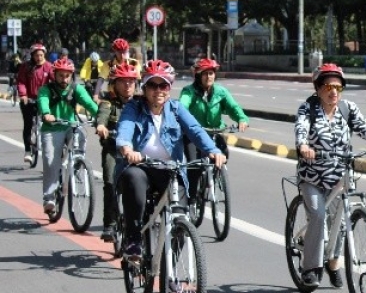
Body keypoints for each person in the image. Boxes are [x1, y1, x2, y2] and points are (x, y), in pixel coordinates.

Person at [294, 63, 366, 288]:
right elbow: (301, 128)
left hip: (339, 175)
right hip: (312, 176)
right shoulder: (308, 108)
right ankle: (310, 268)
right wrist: (303, 146)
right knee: (318, 216)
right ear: (318, 88)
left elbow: (365, 128)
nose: (333, 92)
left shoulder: (347, 108)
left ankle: (333, 264)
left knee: (340, 222)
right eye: (328, 87)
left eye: (338, 88)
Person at [115, 60, 225, 260]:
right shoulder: (134, 107)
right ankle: (133, 239)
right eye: (152, 85)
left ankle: (171, 267)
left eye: (163, 85)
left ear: (169, 87)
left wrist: (213, 150)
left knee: (180, 218)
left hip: (171, 170)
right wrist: (127, 149)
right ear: (144, 87)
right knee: (133, 177)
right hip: (142, 167)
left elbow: (195, 130)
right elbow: (125, 128)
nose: (158, 90)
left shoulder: (175, 108)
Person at [179, 57, 249, 204]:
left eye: (211, 73)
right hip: (193, 135)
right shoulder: (189, 92)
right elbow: (182, 108)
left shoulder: (221, 91)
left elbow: (233, 107)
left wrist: (242, 119)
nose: (209, 76)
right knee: (194, 165)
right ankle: (191, 200)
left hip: (214, 132)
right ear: (198, 75)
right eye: (205, 73)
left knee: (224, 154)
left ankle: (214, 176)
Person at [37, 57, 99, 215]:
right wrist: (46, 113)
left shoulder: (76, 89)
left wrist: (101, 118)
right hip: (51, 128)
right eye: (60, 75)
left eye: (67, 76)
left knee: (81, 134)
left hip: (71, 125)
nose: (64, 79)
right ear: (54, 75)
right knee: (51, 161)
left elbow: (89, 103)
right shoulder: (46, 89)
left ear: (72, 75)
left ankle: (77, 164)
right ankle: (49, 199)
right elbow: (43, 101)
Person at [95, 63, 139, 241]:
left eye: (131, 81)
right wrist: (101, 126)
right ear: (114, 84)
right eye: (123, 81)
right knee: (110, 183)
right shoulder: (108, 102)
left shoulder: (140, 102)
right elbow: (102, 115)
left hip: (135, 152)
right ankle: (110, 224)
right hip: (113, 150)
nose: (128, 85)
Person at [16, 43, 54, 165]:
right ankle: (27, 150)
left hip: (44, 100)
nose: (39, 58)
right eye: (36, 55)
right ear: (32, 56)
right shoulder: (26, 67)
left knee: (50, 122)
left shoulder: (49, 67)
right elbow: (21, 81)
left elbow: (55, 81)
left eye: (41, 55)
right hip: (29, 100)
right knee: (28, 124)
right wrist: (23, 95)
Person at [94, 38, 140, 103]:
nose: (122, 55)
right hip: (113, 95)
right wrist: (95, 95)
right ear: (115, 51)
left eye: (124, 52)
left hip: (130, 96)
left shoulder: (134, 63)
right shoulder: (108, 64)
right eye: (119, 52)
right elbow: (101, 79)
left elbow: (139, 80)